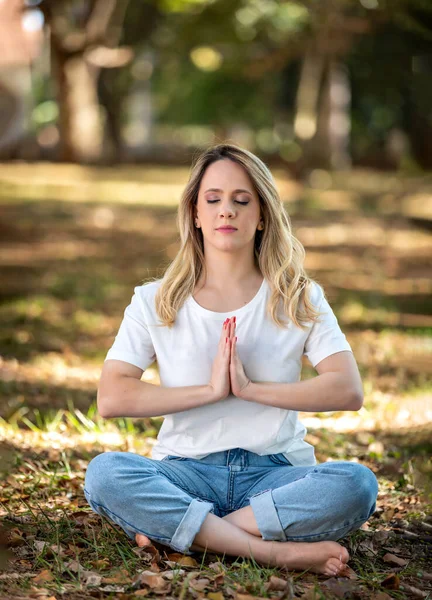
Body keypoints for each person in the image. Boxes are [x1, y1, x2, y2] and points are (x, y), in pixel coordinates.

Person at [84, 142, 378, 576]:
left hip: (273, 476)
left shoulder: (297, 297)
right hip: (184, 472)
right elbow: (111, 397)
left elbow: (348, 389)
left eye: (242, 201)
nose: (227, 211)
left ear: (262, 216)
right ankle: (269, 550)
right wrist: (208, 392)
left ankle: (195, 532)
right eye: (213, 200)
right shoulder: (155, 301)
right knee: (105, 474)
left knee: (357, 485)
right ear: (195, 214)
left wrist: (252, 390)